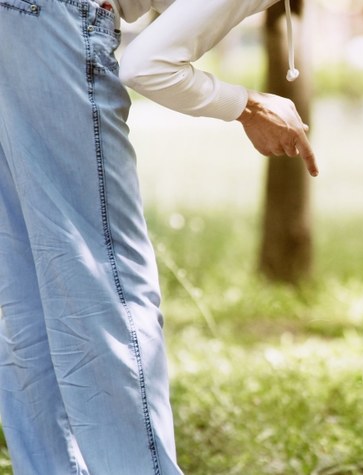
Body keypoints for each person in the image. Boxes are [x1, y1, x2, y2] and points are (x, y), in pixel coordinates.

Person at [0, 0, 315, 473]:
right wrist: (248, 105)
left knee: (24, 295)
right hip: (54, 22)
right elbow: (147, 65)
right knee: (108, 284)